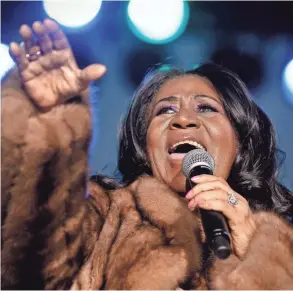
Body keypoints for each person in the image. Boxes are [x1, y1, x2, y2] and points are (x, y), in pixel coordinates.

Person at [1, 19, 293, 290]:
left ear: (240, 141)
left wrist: (254, 251)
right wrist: (50, 133)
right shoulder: (104, 220)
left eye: (206, 108)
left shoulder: (282, 243)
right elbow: (31, 259)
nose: (183, 120)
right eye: (165, 110)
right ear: (145, 144)